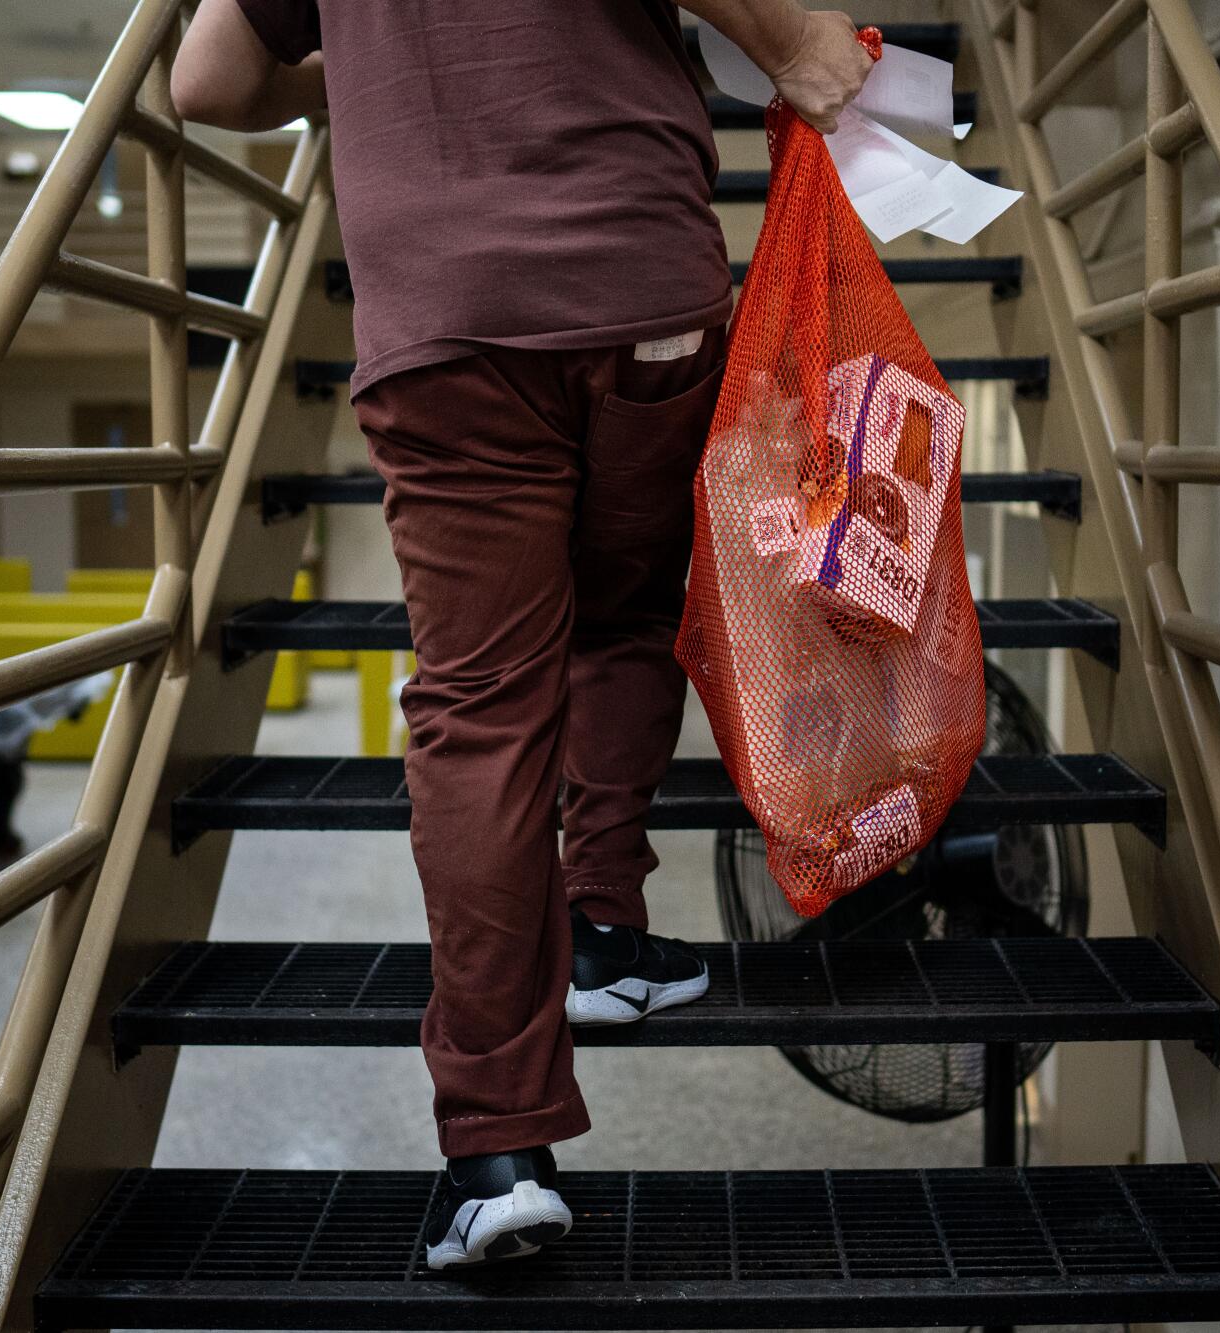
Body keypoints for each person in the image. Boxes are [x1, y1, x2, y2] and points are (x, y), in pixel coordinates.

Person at [173, 0, 873, 1271]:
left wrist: (379, 62)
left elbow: (211, 82)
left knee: (481, 702)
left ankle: (495, 1149)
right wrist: (796, 38)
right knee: (624, 612)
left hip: (440, 312)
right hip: (633, 276)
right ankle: (600, 925)